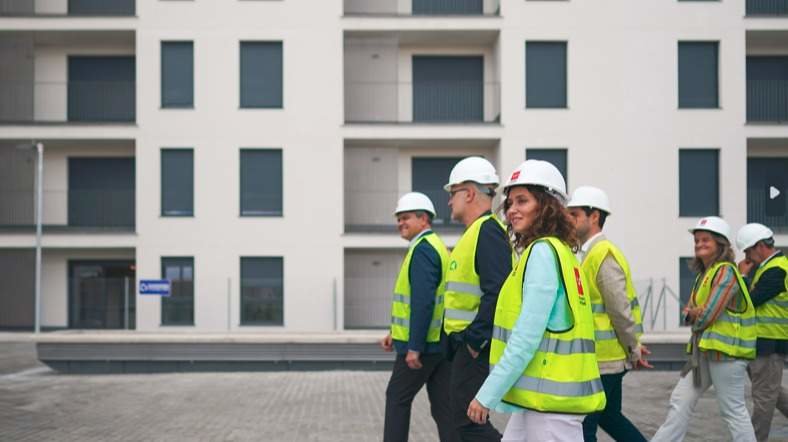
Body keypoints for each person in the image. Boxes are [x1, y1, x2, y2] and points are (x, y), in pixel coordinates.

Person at [466, 160, 606, 442]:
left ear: (546, 206)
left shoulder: (542, 253)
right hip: (541, 401)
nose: (512, 209)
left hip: (551, 407)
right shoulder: (560, 251)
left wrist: (487, 395)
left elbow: (526, 336)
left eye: (523, 201)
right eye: (510, 202)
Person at [651, 216, 757, 442]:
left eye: (705, 240)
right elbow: (689, 313)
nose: (699, 244)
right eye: (697, 240)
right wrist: (695, 313)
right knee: (680, 402)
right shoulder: (704, 275)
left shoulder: (726, 272)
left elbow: (707, 314)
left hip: (726, 355)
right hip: (704, 353)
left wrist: (696, 313)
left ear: (721, 244)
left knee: (733, 411)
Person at [566, 186, 651, 442]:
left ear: (595, 217)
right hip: (604, 356)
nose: (569, 219)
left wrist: (632, 348)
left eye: (575, 214)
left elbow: (619, 308)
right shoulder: (588, 253)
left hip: (604, 359)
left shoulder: (602, 254)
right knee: (609, 416)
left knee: (585, 426)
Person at [443, 156, 512, 441]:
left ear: (469, 193)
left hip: (475, 350)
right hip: (465, 348)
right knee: (462, 423)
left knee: (470, 424)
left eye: (453, 193)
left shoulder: (487, 232)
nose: (449, 202)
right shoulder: (476, 233)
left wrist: (474, 341)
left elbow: (497, 293)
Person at [380, 192, 455, 442]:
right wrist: (395, 332)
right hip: (437, 344)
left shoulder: (422, 250)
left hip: (422, 347)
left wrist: (414, 346)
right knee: (444, 409)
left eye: (406, 218)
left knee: (397, 399)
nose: (400, 223)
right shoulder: (435, 246)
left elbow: (423, 303)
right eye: (398, 219)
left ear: (424, 219)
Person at [736, 223, 788, 442]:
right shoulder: (769, 267)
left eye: (747, 251)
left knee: (763, 399)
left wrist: (743, 276)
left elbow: (749, 302)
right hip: (764, 343)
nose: (747, 257)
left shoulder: (776, 269)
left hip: (770, 343)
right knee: (773, 394)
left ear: (759, 246)